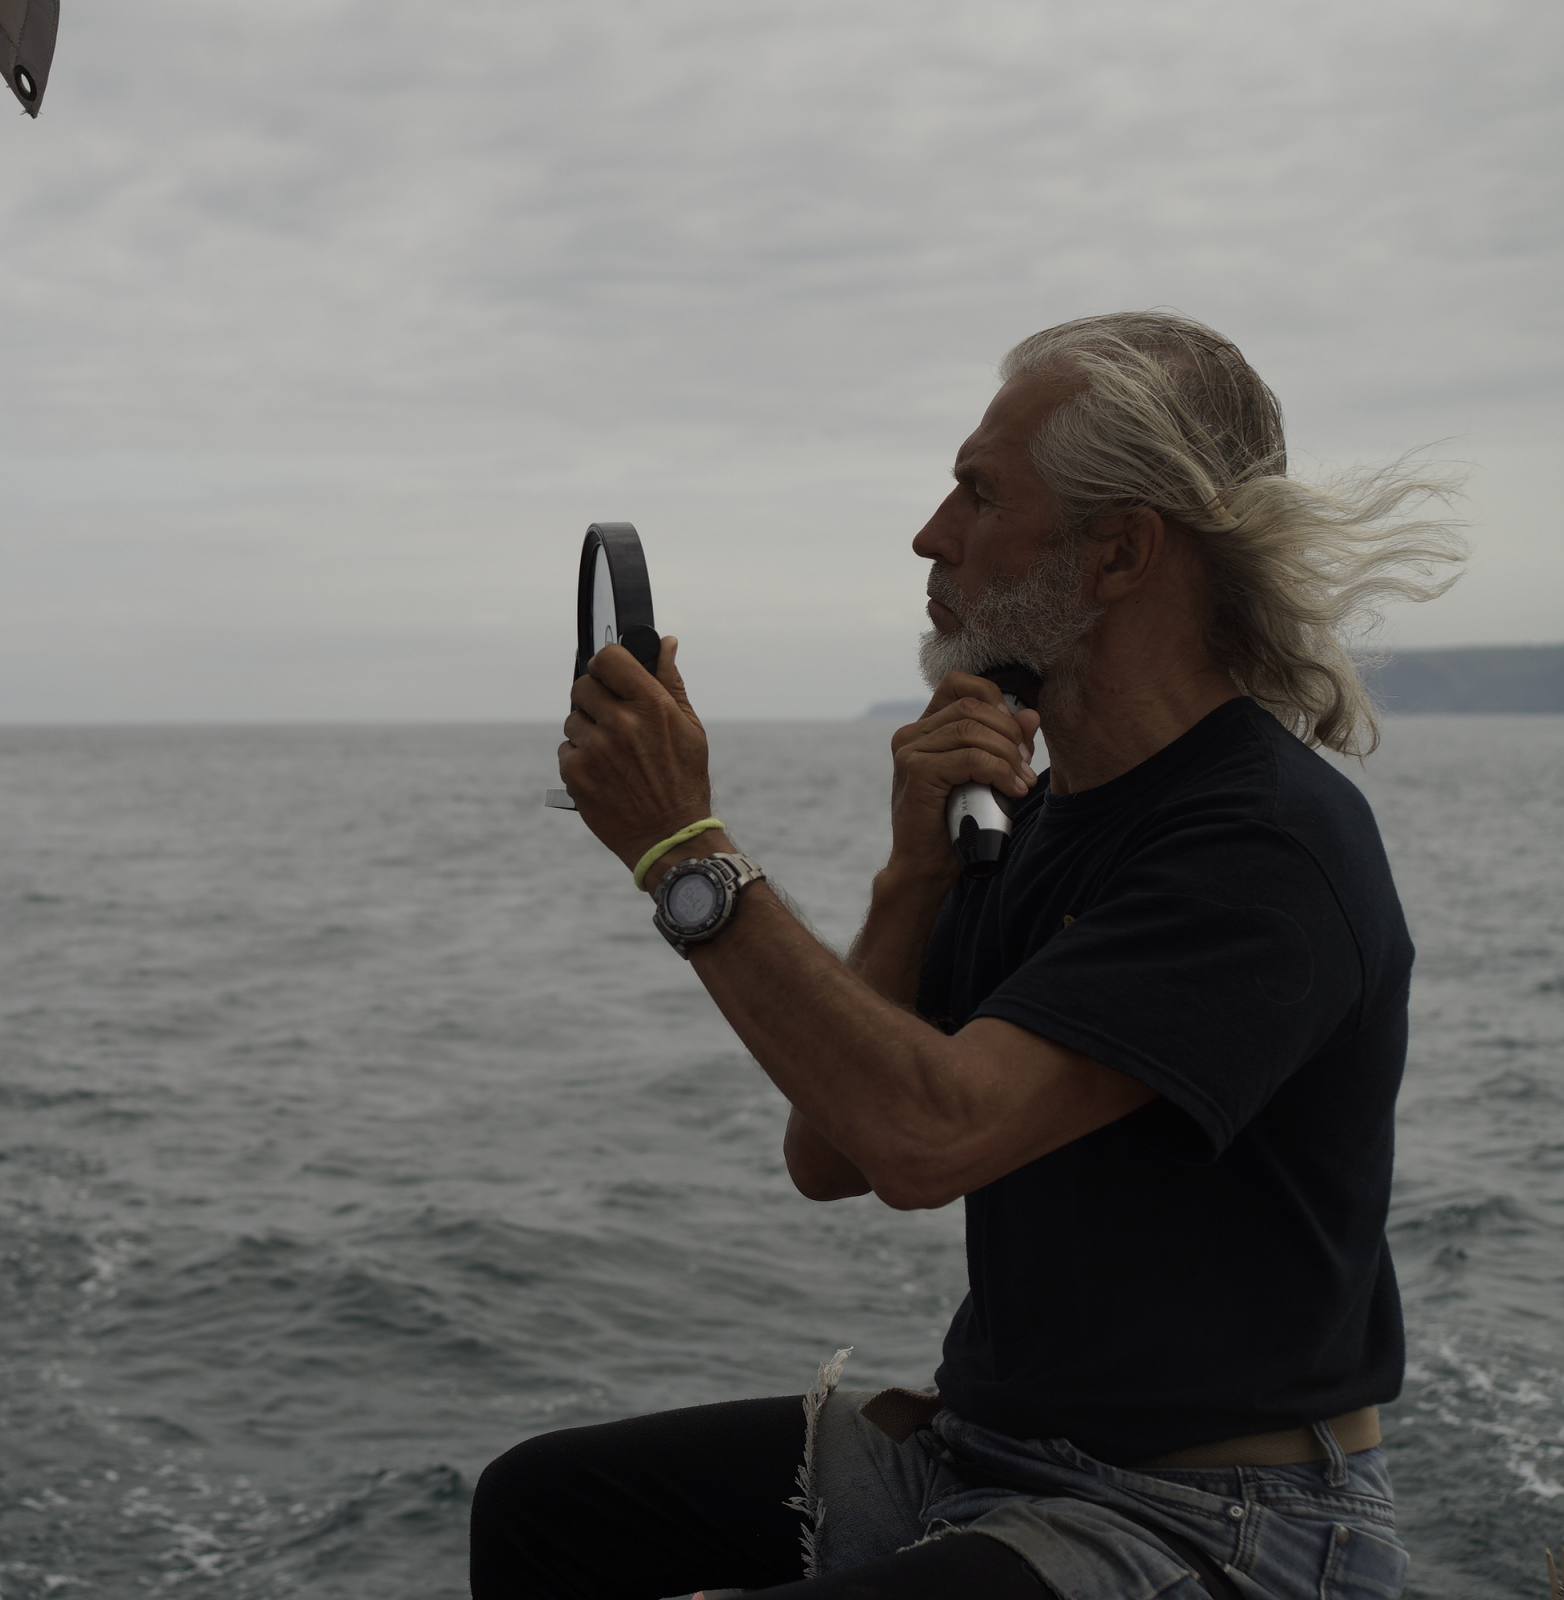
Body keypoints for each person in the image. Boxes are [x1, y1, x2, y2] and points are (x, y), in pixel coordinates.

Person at [478, 312, 1467, 1600]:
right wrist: (912, 877)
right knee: (544, 1511)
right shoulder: (1040, 826)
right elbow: (834, 1155)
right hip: (989, 1453)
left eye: (979, 492)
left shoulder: (1265, 849)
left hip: (1215, 1517)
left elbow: (926, 1138)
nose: (930, 533)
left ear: (1120, 551)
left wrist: (684, 849)